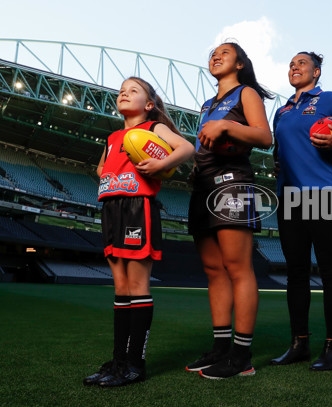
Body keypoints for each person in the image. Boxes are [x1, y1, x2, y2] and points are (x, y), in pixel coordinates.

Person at [84, 76, 195, 387]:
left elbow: (185, 148)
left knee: (137, 285)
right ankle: (118, 360)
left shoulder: (152, 129)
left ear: (148, 105)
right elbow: (101, 169)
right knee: (120, 287)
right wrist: (112, 176)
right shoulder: (113, 136)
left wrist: (162, 165)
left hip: (137, 208)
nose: (124, 93)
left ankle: (135, 364)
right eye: (122, 90)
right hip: (111, 208)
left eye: (133, 90)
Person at [184, 42, 273, 379]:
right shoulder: (208, 104)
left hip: (231, 182)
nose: (215, 56)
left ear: (240, 63)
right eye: (211, 53)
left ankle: (241, 356)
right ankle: (221, 347)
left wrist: (226, 127)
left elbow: (265, 137)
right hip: (203, 185)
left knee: (237, 267)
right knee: (213, 269)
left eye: (224, 52)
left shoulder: (246, 93)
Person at [270, 52, 332, 371]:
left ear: (316, 71)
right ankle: (299, 344)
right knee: (296, 274)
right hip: (290, 198)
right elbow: (278, 156)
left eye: (302, 63)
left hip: (324, 194)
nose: (294, 66)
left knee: (329, 271)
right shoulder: (281, 112)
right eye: (291, 63)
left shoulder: (330, 99)